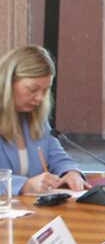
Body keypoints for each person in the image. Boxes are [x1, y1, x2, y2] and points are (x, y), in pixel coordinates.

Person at [0, 46, 88, 196]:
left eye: (45, 91)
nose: (40, 98)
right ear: (9, 83)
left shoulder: (35, 119)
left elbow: (58, 158)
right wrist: (24, 185)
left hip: (30, 213)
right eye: (32, 89)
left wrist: (71, 172)